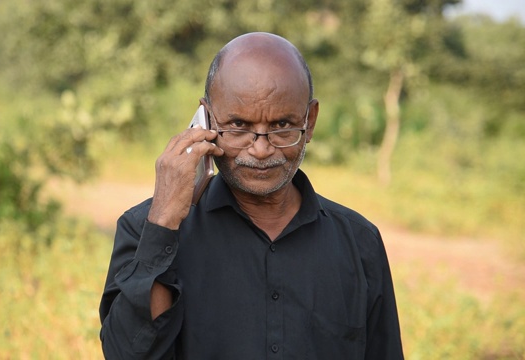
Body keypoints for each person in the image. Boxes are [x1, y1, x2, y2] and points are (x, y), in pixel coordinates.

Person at [99, 32, 404, 359]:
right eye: (239, 125)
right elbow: (125, 354)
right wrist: (162, 223)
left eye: (282, 125)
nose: (261, 149)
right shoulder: (145, 228)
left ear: (310, 122)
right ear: (207, 119)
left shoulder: (359, 244)